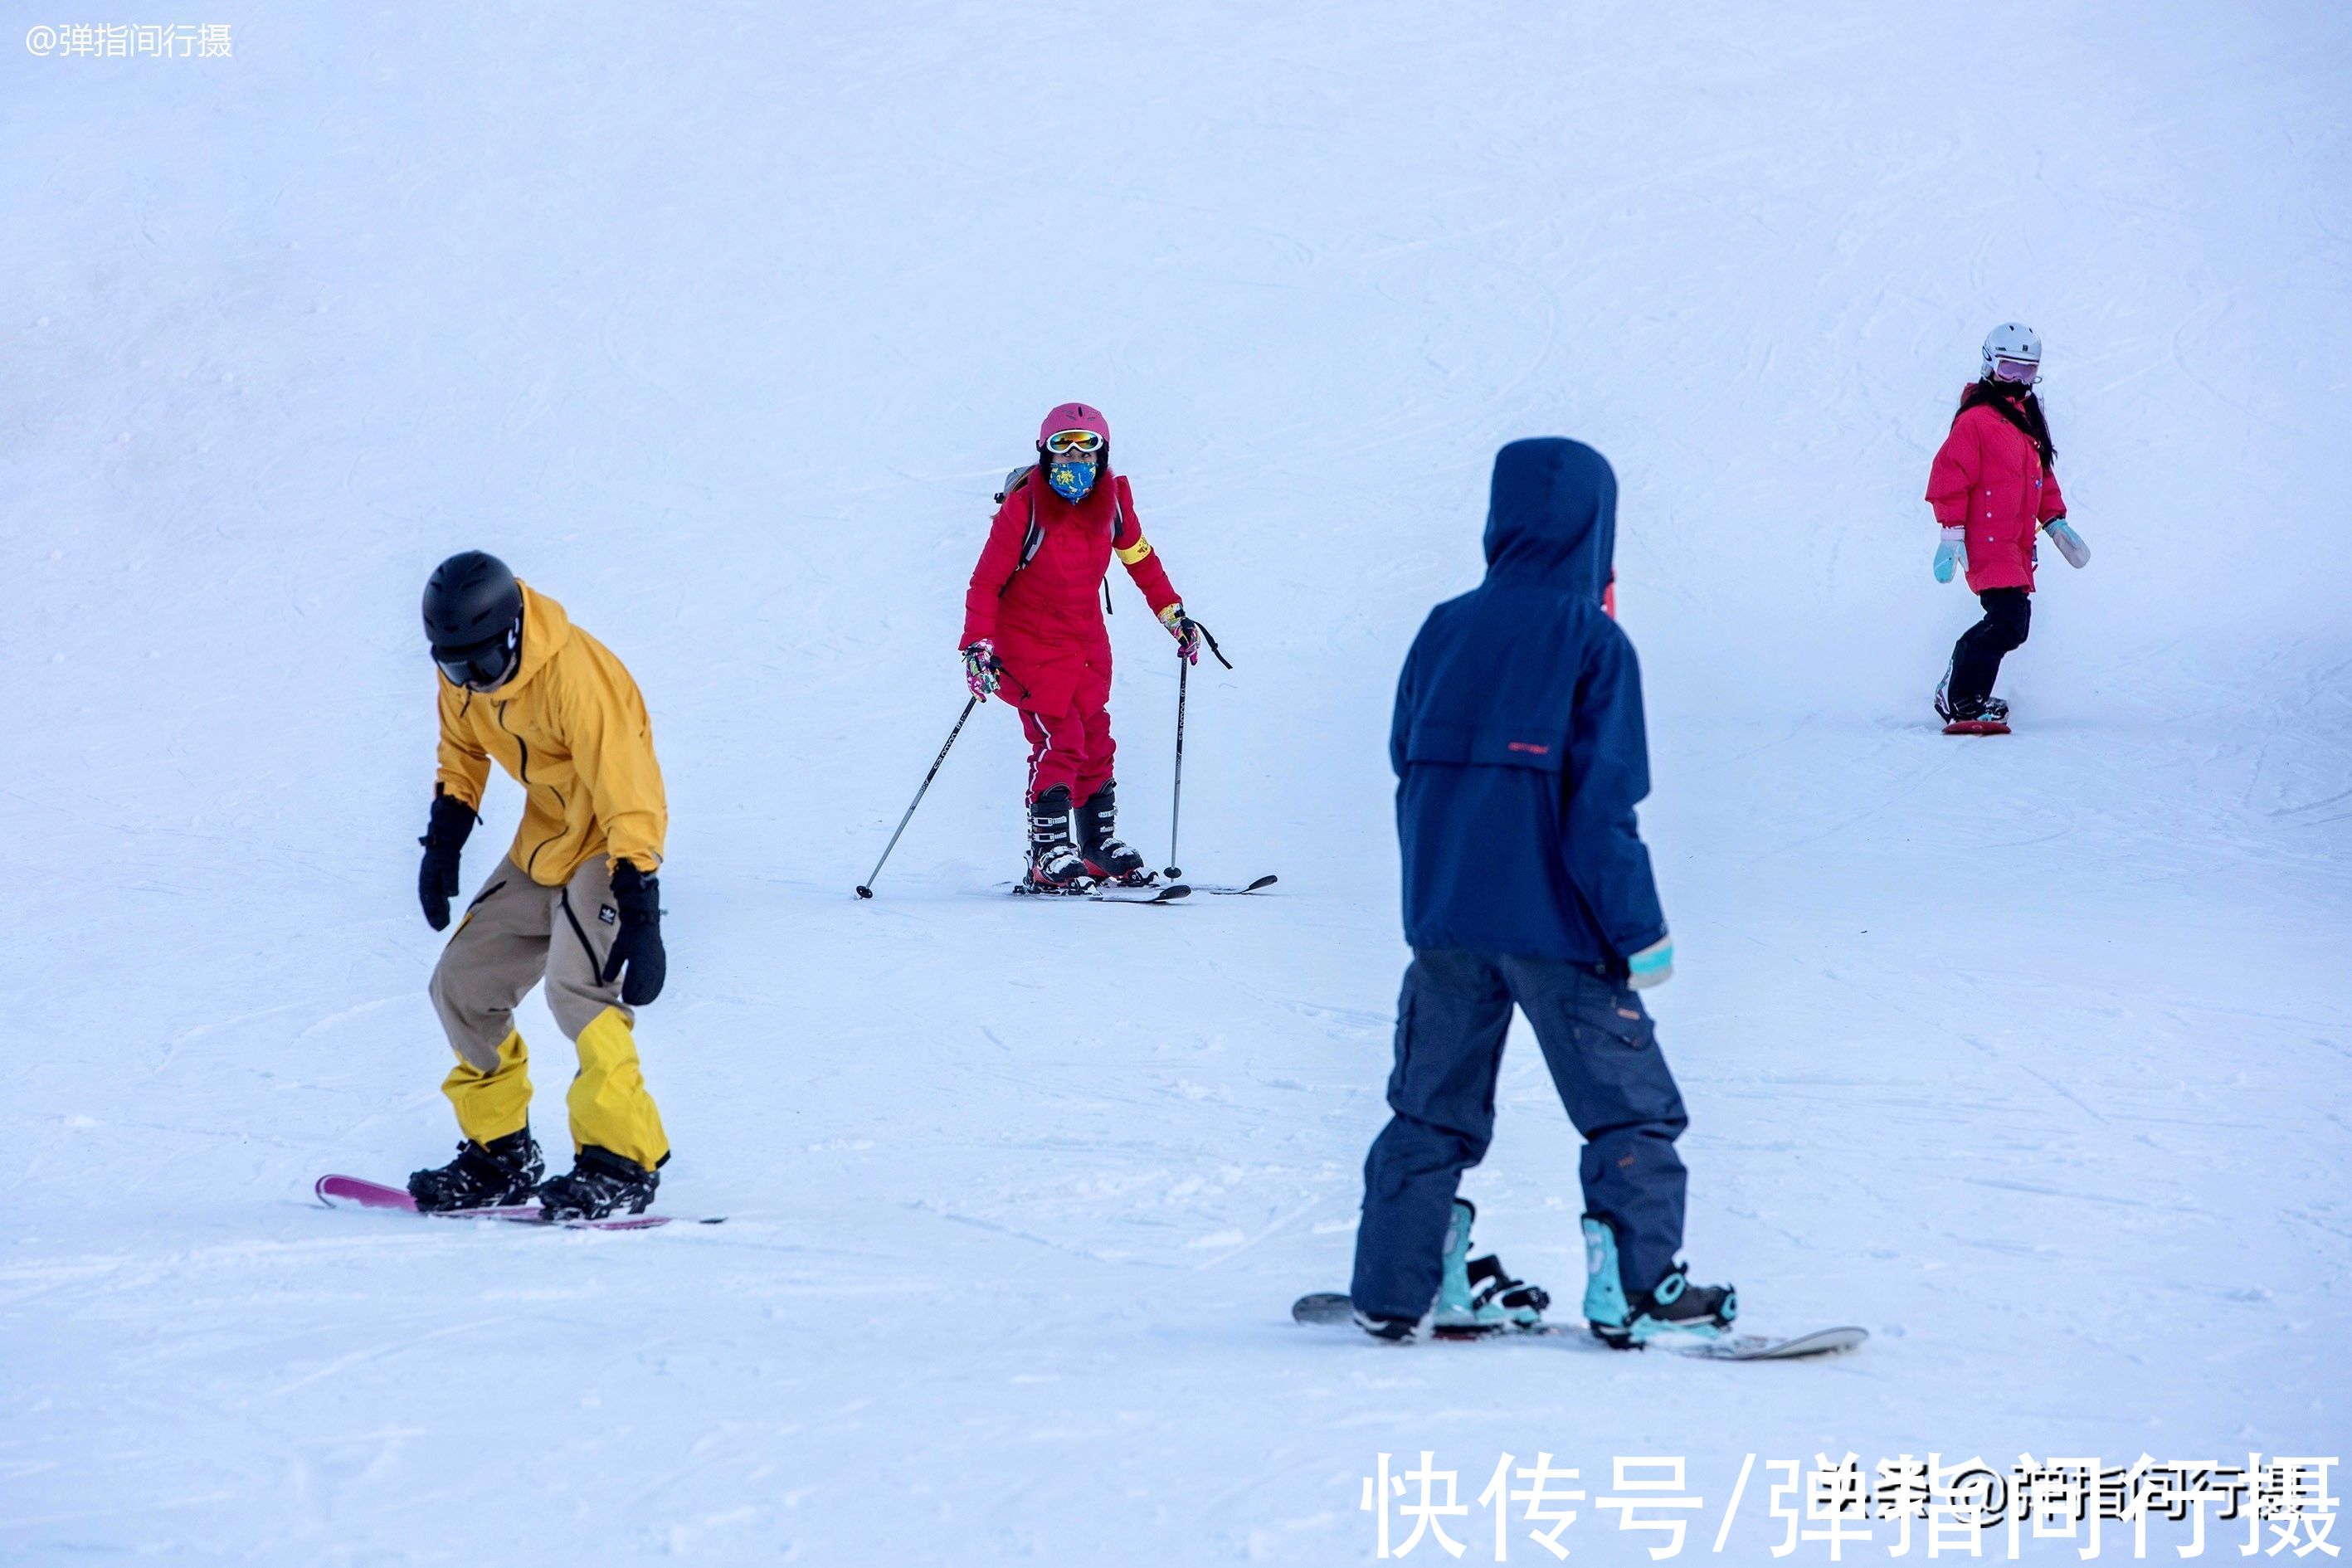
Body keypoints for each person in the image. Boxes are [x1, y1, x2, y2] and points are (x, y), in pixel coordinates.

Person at [1348, 438, 1735, 1347]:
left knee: (1429, 1109)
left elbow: (1410, 767)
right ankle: (1637, 1290)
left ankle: (1400, 1285)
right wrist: (1639, 932)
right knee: (1631, 1109)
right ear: (1597, 530)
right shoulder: (1592, 641)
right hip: (1559, 926)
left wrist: (1432, 897)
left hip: (1446, 925)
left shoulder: (1442, 628)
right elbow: (1601, 807)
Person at [408, 552, 674, 1220]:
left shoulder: (577, 680)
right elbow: (462, 748)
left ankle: (621, 1159)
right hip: (546, 841)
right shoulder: (465, 670)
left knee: (576, 988)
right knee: (462, 984)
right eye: (453, 665)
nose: (470, 680)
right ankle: (500, 1154)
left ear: (514, 634)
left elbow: (629, 788)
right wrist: (447, 833)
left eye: (481, 665)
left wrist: (639, 901)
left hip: (610, 846)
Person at [959, 402, 1205, 891]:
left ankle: (1096, 847)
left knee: (1096, 737)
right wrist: (977, 645)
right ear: (1045, 455)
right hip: (1026, 646)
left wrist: (1171, 613)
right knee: (1060, 740)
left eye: (1086, 448)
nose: (1075, 460)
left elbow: (1141, 559)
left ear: (1103, 454)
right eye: (1063, 448)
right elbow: (985, 583)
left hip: (1085, 643)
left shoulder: (1112, 504)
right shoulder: (1023, 509)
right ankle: (1047, 852)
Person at [1925, 323, 2091, 732]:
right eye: (2008, 369)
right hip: (1985, 540)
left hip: (2016, 544)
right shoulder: (1976, 421)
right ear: (1988, 364)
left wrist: (2056, 524)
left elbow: (2041, 479)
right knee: (2008, 622)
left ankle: (1969, 694)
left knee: (2012, 623)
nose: (2017, 381)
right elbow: (1950, 476)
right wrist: (1950, 535)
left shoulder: (2025, 422)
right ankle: (1960, 696)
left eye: (2026, 371)